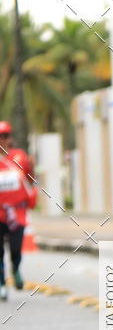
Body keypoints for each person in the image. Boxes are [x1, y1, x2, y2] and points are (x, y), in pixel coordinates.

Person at [0, 121, 37, 301]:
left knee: (15, 248)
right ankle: (1, 284)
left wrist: (32, 168)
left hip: (17, 214)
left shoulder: (20, 157)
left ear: (10, 138)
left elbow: (30, 179)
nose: (2, 140)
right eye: (0, 137)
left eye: (5, 136)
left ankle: (15, 268)